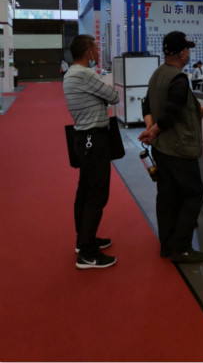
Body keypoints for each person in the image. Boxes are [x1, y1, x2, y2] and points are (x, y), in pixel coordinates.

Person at [139, 31, 203, 264]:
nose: (188, 53)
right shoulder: (178, 79)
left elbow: (147, 104)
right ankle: (182, 248)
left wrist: (151, 128)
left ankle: (167, 245)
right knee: (193, 195)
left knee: (167, 195)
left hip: (161, 149)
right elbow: (171, 114)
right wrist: (154, 130)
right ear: (182, 53)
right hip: (180, 149)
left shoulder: (157, 74)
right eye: (187, 49)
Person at [63, 34, 120, 269]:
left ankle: (84, 240)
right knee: (97, 194)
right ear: (87, 52)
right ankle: (87, 253)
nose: (98, 52)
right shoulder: (86, 74)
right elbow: (114, 97)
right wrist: (105, 92)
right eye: (95, 48)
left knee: (85, 191)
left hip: (82, 138)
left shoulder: (70, 74)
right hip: (93, 139)